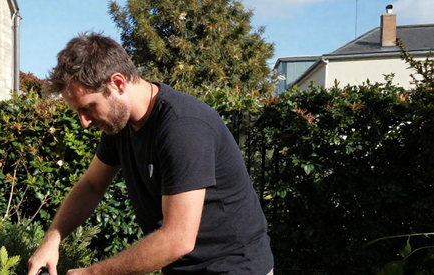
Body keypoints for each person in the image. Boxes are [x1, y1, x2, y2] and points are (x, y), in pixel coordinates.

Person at [26, 32, 274, 275]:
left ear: (118, 83)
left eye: (89, 107)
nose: (84, 122)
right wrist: (53, 238)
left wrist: (94, 273)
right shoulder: (118, 126)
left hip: (234, 267)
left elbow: (178, 239)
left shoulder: (183, 126)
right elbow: (91, 185)